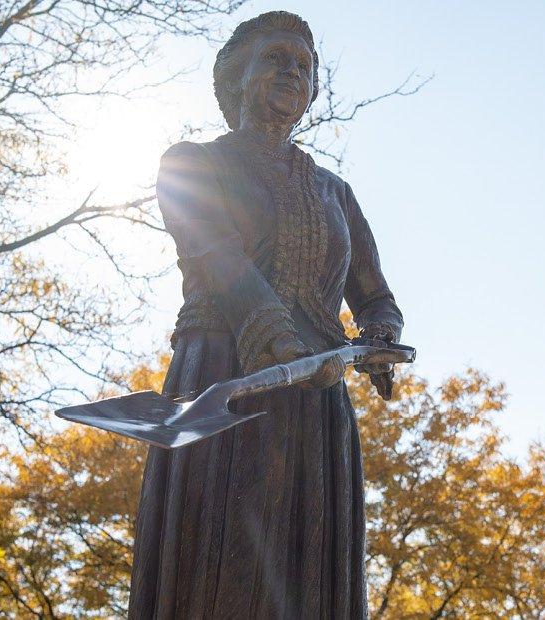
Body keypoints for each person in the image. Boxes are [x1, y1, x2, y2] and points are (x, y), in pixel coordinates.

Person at [129, 10, 404, 619]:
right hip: (226, 378)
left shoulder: (334, 191)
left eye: (304, 66)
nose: (292, 71)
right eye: (276, 57)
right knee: (224, 555)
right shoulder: (191, 162)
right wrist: (277, 336)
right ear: (236, 78)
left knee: (310, 568)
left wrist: (382, 337)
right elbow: (215, 252)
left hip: (318, 397)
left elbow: (375, 294)